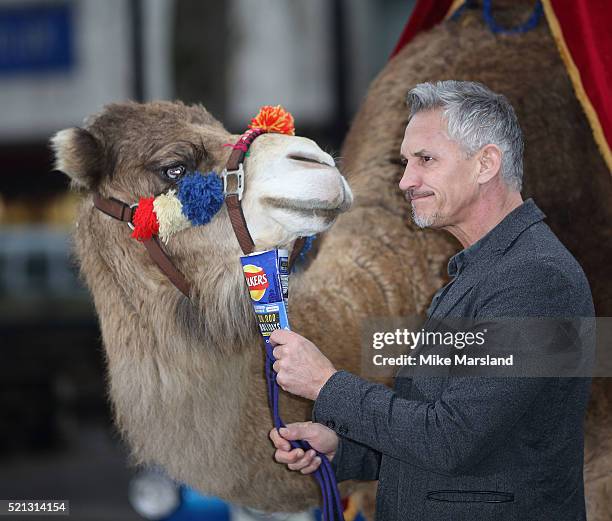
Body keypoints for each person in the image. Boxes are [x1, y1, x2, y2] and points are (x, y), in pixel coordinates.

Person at [268, 80, 594, 521]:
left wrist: (326, 384)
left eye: (425, 160)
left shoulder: (536, 280)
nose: (406, 181)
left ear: (486, 164)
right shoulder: (480, 273)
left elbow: (450, 439)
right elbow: (471, 442)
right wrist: (344, 448)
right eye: (406, 162)